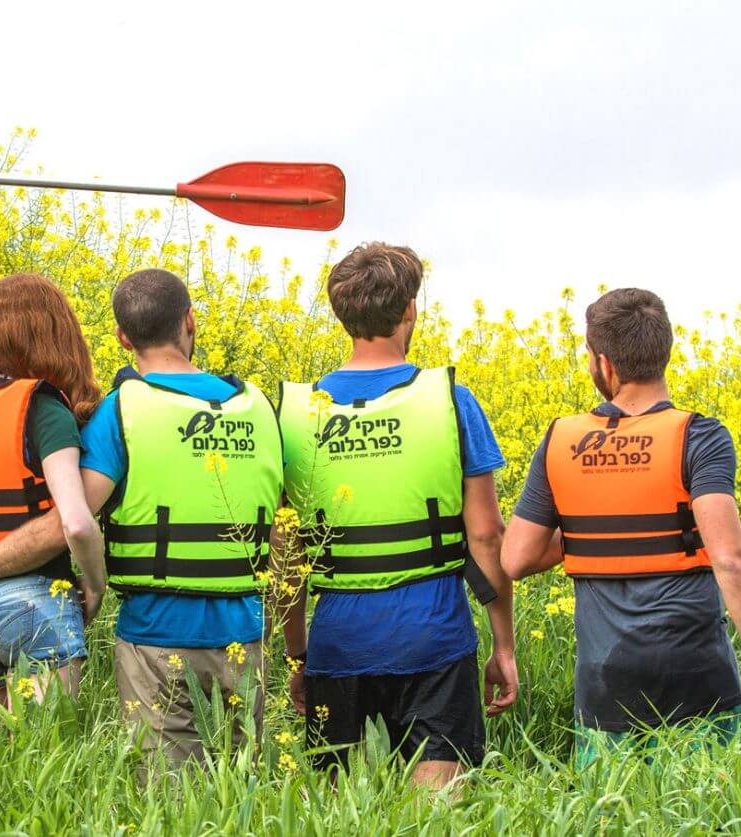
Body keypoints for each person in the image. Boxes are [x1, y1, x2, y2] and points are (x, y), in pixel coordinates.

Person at [0, 268, 283, 766]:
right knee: (241, 791)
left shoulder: (120, 412)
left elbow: (67, 520)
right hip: (245, 635)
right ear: (191, 321)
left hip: (155, 636)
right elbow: (282, 535)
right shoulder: (258, 409)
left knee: (165, 799)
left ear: (123, 337)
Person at [278, 242, 517, 789]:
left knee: (336, 818)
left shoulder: (292, 413)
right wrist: (503, 645)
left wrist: (298, 659)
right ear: (409, 309)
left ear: (342, 316)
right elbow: (485, 536)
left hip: (337, 646)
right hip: (435, 640)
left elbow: (286, 558)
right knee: (434, 816)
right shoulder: (452, 400)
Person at [502, 288, 741, 768]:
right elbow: (729, 560)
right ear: (664, 353)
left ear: (603, 365)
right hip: (697, 674)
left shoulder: (560, 439)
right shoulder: (701, 435)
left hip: (606, 683)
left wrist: (594, 527)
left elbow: (516, 558)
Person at [0, 273, 106, 703]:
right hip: (36, 599)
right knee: (44, 758)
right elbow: (77, 524)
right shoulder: (45, 409)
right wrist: (95, 583)